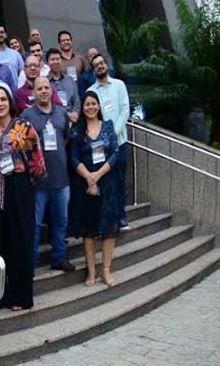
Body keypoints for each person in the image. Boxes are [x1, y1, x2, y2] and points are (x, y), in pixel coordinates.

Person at [0, 87, 45, 312]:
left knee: (20, 241)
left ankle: (20, 295)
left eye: (2, 99)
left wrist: (25, 187)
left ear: (9, 102)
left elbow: (38, 161)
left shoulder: (23, 127)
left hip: (20, 189)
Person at [21, 76, 75, 271]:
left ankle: (59, 259)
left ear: (52, 91)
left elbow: (66, 140)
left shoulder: (62, 113)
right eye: (39, 88)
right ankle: (31, 263)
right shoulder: (26, 116)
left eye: (46, 88)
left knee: (61, 223)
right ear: (33, 92)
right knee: (34, 226)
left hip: (61, 180)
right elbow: (23, 147)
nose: (43, 91)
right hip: (38, 183)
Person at [69, 91, 121, 287]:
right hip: (85, 185)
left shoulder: (107, 126)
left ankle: (106, 271)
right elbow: (73, 158)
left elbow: (115, 153)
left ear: (98, 106)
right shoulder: (77, 130)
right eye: (87, 104)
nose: (90, 107)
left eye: (93, 104)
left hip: (107, 184)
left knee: (109, 228)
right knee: (89, 230)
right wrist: (89, 178)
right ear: (82, 108)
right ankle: (91, 272)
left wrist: (97, 176)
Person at [87, 53, 131, 230]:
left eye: (102, 63)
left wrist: (113, 134)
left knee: (119, 181)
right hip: (100, 147)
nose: (100, 66)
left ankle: (121, 217)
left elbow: (125, 110)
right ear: (93, 70)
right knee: (104, 182)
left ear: (107, 65)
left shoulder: (119, 85)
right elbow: (90, 115)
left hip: (119, 143)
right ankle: (105, 219)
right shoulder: (91, 91)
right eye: (96, 65)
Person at [46, 48, 80, 121]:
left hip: (74, 120)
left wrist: (75, 115)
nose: (55, 62)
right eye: (52, 59)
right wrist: (68, 116)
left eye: (57, 59)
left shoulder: (70, 80)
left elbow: (77, 102)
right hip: (55, 121)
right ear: (47, 62)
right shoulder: (45, 83)